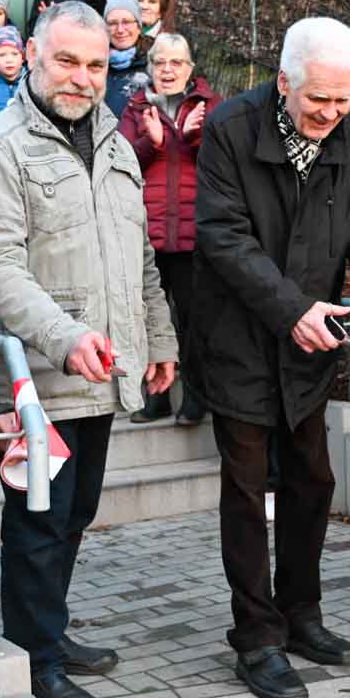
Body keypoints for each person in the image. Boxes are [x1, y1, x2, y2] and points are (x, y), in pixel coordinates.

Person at [190, 16, 350, 698]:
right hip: (239, 335)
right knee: (245, 490)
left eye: (344, 100)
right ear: (283, 81)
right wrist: (291, 306)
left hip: (310, 344)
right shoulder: (231, 129)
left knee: (312, 481)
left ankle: (302, 614)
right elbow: (222, 234)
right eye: (317, 99)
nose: (330, 113)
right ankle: (257, 636)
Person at [0, 1, 179, 698]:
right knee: (38, 522)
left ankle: (44, 625)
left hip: (105, 373)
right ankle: (35, 659)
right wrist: (63, 335)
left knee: (74, 512)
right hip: (38, 381)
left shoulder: (114, 142)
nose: (81, 77)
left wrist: (161, 341)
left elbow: (139, 256)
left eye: (93, 64)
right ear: (33, 57)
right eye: (65, 61)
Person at [118, 32, 222, 426]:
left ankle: (196, 398)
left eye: (176, 63)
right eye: (160, 62)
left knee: (196, 321)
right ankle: (155, 397)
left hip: (196, 235)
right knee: (148, 320)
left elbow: (223, 165)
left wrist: (195, 137)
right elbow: (122, 163)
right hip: (149, 235)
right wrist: (153, 142)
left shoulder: (212, 107)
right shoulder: (135, 108)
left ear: (190, 69)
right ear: (151, 67)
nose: (167, 70)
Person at [102, 0, 149, 117]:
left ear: (139, 27)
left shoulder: (153, 67)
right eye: (112, 23)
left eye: (126, 22)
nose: (120, 30)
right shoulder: (94, 64)